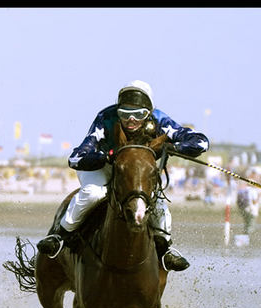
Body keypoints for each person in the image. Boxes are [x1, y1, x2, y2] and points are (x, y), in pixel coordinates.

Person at [36, 80, 209, 272]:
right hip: (102, 167)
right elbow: (76, 158)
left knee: (157, 200)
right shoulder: (106, 118)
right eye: (125, 114)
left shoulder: (160, 121)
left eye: (139, 114)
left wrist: (175, 146)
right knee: (94, 193)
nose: (131, 120)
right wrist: (107, 156)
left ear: (149, 113)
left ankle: (165, 250)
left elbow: (201, 142)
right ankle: (61, 235)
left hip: (137, 171)